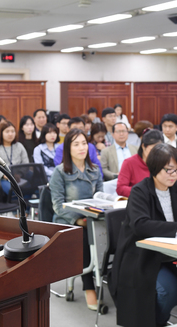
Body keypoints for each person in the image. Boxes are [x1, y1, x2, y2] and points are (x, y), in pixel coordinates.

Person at [109, 143, 177, 327]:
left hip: (173, 253)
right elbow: (140, 225)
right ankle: (155, 322)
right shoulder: (140, 191)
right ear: (154, 169)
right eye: (169, 170)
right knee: (169, 290)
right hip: (141, 257)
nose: (175, 175)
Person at [50, 128, 103, 311]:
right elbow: (57, 205)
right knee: (85, 237)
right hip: (68, 223)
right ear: (68, 148)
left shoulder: (95, 170)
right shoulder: (60, 172)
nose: (82, 147)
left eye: (84, 143)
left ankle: (108, 278)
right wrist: (78, 221)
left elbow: (100, 198)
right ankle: (89, 286)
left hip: (93, 219)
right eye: (76, 144)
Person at [117, 129, 163, 197]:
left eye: (159, 150)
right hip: (138, 200)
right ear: (143, 146)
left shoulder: (163, 162)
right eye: (153, 149)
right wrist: (142, 192)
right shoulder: (129, 163)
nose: (156, 153)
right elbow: (120, 188)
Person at [0, 121, 29, 195]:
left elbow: (25, 164)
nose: (10, 134)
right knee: (14, 192)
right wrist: (6, 176)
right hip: (3, 178)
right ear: (1, 133)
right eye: (7, 131)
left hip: (19, 177)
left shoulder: (19, 146)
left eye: (12, 131)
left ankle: (25, 207)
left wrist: (19, 174)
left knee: (29, 189)